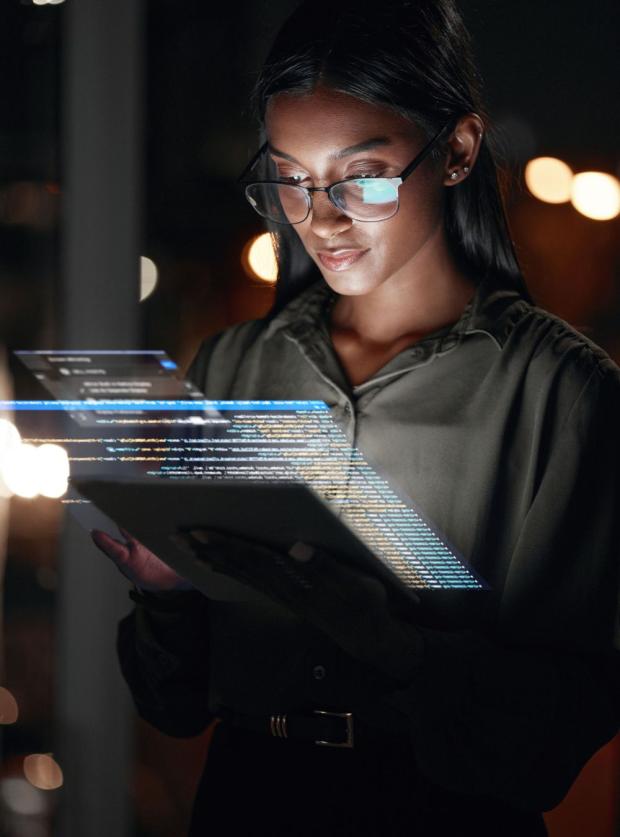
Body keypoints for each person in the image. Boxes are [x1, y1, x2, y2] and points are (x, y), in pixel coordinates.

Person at [90, 1, 620, 834]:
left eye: (362, 176)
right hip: (245, 800)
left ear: (457, 149)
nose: (319, 218)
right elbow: (172, 704)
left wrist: (397, 646)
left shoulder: (562, 397)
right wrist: (168, 597)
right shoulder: (230, 369)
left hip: (438, 814)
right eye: (291, 179)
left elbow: (550, 739)